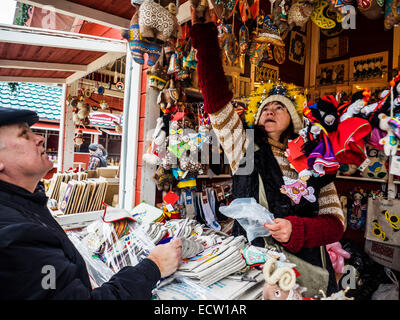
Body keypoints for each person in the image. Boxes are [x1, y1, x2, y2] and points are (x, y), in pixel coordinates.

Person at [190, 8, 344, 295]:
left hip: (305, 272)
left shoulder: (316, 158)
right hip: (254, 269)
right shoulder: (244, 147)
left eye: (279, 107)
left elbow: (336, 225)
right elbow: (217, 103)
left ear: (294, 119)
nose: (269, 111)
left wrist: (297, 230)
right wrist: (205, 37)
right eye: (264, 109)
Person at [0, 106, 182, 299]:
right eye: (24, 135)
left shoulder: (24, 205)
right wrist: (154, 266)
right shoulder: (15, 234)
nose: (40, 138)